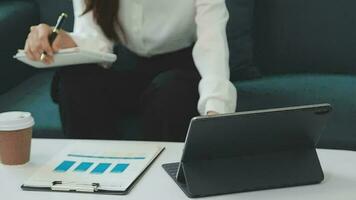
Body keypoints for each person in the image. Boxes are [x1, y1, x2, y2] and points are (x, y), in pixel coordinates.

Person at [24, 0, 237, 141]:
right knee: (75, 81)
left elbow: (212, 42)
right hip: (125, 67)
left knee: (170, 92)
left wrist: (215, 109)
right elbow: (97, 42)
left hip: (180, 70)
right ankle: (93, 181)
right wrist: (64, 40)